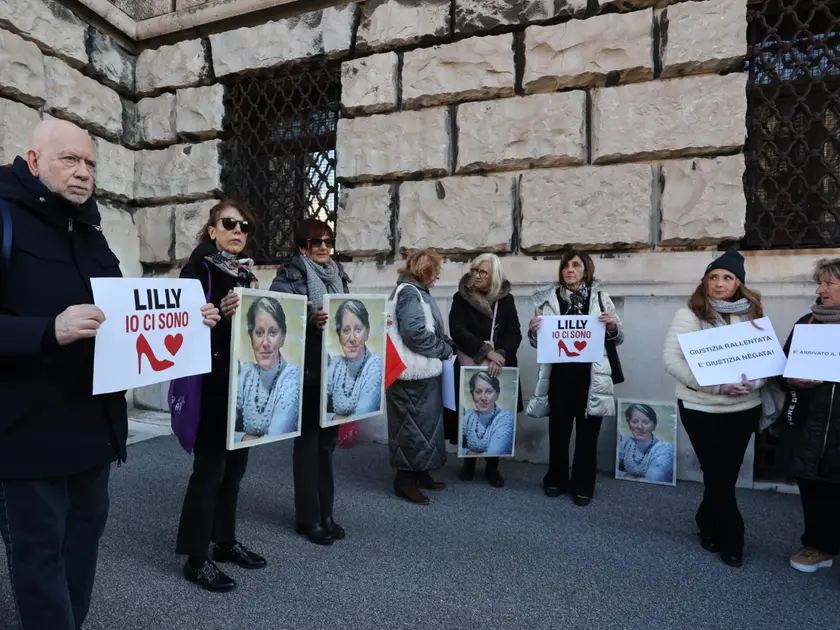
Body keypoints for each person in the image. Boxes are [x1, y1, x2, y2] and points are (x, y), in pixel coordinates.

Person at [0, 119, 219, 627]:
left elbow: (126, 316)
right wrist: (46, 330)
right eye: (69, 160)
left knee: (81, 549)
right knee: (38, 557)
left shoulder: (91, 230)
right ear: (33, 162)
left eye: (91, 163)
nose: (83, 173)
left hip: (93, 431)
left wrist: (189, 316)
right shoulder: (4, 217)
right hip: (25, 433)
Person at [175, 200, 266, 593]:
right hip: (212, 386)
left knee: (234, 472)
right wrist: (214, 316)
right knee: (209, 473)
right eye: (229, 223)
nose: (237, 231)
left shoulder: (245, 275)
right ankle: (196, 559)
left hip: (243, 385)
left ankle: (224, 542)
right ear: (212, 230)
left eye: (244, 226)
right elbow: (179, 328)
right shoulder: (197, 270)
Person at [662, 250, 766, 568]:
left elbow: (764, 360)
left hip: (744, 407)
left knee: (724, 474)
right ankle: (733, 537)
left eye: (727, 278)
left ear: (739, 284)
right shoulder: (689, 315)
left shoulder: (752, 315)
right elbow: (672, 360)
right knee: (717, 472)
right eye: (713, 277)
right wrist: (715, 386)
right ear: (705, 282)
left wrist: (753, 383)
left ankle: (706, 521)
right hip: (700, 407)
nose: (719, 284)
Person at [270, 219, 350, 546]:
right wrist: (309, 319)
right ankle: (307, 517)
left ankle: (326, 513)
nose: (322, 247)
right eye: (316, 242)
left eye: (327, 241)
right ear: (302, 245)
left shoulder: (339, 274)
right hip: (304, 372)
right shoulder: (287, 276)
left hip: (334, 373)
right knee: (307, 446)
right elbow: (276, 320)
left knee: (327, 446)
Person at [527, 250, 623, 506]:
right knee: (558, 430)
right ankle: (556, 479)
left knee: (588, 433)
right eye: (566, 266)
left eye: (576, 265)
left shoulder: (600, 297)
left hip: (591, 376)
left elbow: (618, 336)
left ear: (586, 270)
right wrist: (534, 331)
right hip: (559, 375)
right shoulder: (547, 299)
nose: (569, 270)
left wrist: (612, 325)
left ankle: (583, 484)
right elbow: (538, 342)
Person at [779, 258, 840, 574]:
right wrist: (792, 379)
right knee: (813, 488)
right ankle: (818, 546)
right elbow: (783, 370)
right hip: (809, 425)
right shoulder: (808, 323)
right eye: (820, 283)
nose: (820, 290)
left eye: (829, 283)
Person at [387, 249, 456, 505]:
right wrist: (445, 349)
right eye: (435, 272)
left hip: (421, 372)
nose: (437, 278)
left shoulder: (415, 293)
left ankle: (420, 471)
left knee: (424, 426)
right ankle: (404, 480)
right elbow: (414, 334)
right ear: (424, 271)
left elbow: (431, 329)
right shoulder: (409, 294)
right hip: (410, 373)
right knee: (410, 428)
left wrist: (448, 344)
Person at [448, 253, 522, 487]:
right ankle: (468, 462)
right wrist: (484, 351)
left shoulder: (506, 300)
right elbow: (457, 330)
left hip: (497, 364)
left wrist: (500, 354)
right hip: (469, 358)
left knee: (494, 411)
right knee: (469, 410)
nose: (477, 276)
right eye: (474, 271)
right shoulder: (461, 298)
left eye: (483, 272)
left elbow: (514, 333)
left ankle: (492, 466)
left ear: (494, 277)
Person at [234, 296, 302, 441]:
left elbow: (276, 437)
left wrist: (242, 438)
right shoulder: (246, 373)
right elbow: (226, 427)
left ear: (282, 337)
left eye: (272, 332)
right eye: (259, 333)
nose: (265, 342)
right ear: (251, 338)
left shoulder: (292, 377)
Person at [325, 298, 384, 424]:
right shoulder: (336, 364)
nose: (352, 338)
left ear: (367, 333)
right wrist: (334, 418)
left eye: (358, 329)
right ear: (339, 336)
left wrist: (332, 418)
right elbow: (316, 407)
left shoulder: (375, 364)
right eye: (346, 330)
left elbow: (362, 415)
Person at [461, 371, 516, 457]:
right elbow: (458, 446)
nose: (483, 398)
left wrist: (467, 452)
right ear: (472, 396)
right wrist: (467, 453)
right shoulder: (468, 417)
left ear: (497, 395)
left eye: (489, 392)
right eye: (478, 392)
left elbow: (494, 452)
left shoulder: (505, 419)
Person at [616, 403, 675, 484]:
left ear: (654, 425)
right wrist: (626, 475)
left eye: (646, 422)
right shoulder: (626, 443)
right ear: (629, 424)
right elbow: (612, 470)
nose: (640, 427)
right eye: (635, 421)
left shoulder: (664, 449)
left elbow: (653, 480)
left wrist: (624, 476)